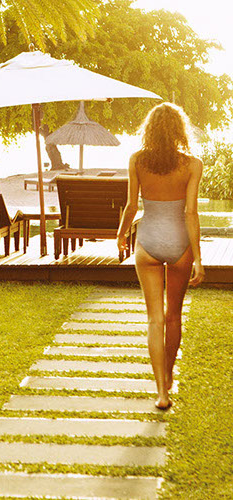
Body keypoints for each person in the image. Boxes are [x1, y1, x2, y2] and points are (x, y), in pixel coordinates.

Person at [116, 102, 205, 410]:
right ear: (180, 130)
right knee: (173, 316)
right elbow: (191, 213)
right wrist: (198, 259)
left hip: (149, 241)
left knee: (155, 319)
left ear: (150, 130)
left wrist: (120, 235)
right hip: (180, 243)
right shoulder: (193, 164)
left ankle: (161, 393)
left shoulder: (137, 160)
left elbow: (131, 206)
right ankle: (168, 376)